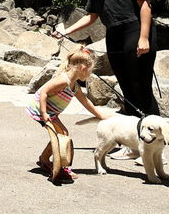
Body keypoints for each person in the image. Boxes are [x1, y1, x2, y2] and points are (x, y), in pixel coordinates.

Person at [53, 0, 158, 118]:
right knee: (126, 86)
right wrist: (66, 31)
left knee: (140, 84)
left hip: (135, 29)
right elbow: (91, 16)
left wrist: (144, 37)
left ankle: (155, 134)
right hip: (114, 35)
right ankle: (133, 134)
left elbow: (145, 5)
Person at [26, 47, 109, 180]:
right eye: (90, 71)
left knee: (63, 134)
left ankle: (46, 159)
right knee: (62, 134)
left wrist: (101, 115)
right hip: (42, 110)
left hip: (52, 112)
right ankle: (54, 162)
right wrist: (44, 112)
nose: (90, 74)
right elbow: (44, 92)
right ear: (82, 68)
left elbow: (86, 102)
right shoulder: (63, 81)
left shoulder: (74, 85)